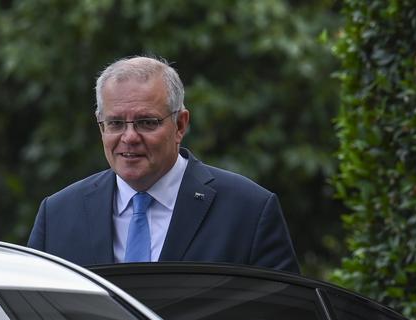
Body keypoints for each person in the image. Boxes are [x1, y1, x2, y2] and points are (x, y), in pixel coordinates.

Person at [28, 55, 299, 273]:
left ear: (180, 125)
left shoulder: (249, 210)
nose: (129, 137)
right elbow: (31, 319)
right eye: (115, 123)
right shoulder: (58, 216)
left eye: (147, 122)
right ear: (100, 125)